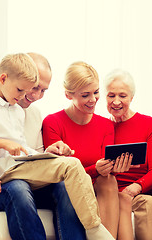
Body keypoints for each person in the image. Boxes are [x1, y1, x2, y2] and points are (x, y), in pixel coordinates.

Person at [0, 53, 114, 240]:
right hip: (2, 175)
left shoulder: (17, 110)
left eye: (42, 90)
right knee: (65, 168)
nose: (29, 96)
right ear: (4, 79)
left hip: (20, 167)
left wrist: (46, 154)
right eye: (24, 89)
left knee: (65, 180)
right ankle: (94, 229)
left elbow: (22, 149)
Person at [0, 52, 86, 240]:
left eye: (43, 90)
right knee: (19, 187)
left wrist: (47, 152)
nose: (36, 95)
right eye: (34, 87)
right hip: (4, 184)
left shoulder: (34, 114)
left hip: (30, 182)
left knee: (64, 184)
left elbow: (31, 155)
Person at [42, 61, 123, 238]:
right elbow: (57, 174)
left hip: (96, 184)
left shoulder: (106, 125)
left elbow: (105, 167)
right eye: (85, 95)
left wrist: (111, 168)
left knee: (108, 179)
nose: (93, 100)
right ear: (68, 95)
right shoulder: (52, 122)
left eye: (96, 92)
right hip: (67, 185)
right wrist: (95, 169)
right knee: (71, 183)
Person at [104, 69, 152, 240]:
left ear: (131, 97)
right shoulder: (100, 126)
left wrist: (135, 188)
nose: (116, 102)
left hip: (139, 191)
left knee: (148, 203)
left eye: (122, 96)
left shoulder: (150, 125)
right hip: (109, 192)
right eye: (111, 96)